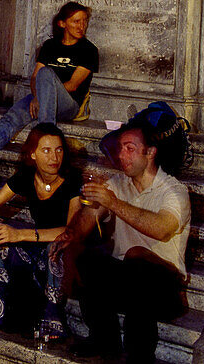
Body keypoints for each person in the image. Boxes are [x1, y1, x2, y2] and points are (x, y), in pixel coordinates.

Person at [56, 121, 190, 362]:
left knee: (137, 260)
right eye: (119, 149)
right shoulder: (117, 184)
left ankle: (139, 355)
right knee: (88, 258)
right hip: (126, 280)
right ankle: (104, 341)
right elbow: (87, 220)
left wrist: (113, 203)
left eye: (130, 148)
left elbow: (161, 229)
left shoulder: (174, 191)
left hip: (162, 287)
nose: (121, 155)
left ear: (150, 153)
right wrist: (71, 235)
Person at [0, 123, 81, 340]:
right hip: (33, 246)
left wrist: (18, 235)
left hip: (62, 250)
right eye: (46, 150)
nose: (54, 157)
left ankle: (52, 318)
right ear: (33, 154)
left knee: (55, 248)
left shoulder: (72, 181)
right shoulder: (27, 176)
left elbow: (71, 231)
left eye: (58, 149)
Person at [0, 1, 98, 163]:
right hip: (41, 97)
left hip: (69, 104)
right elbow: (35, 77)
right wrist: (36, 97)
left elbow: (73, 85)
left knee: (46, 73)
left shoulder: (89, 50)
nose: (81, 26)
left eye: (84, 21)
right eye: (76, 21)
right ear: (62, 23)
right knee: (12, 116)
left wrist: (42, 96)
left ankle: (46, 137)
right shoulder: (50, 45)